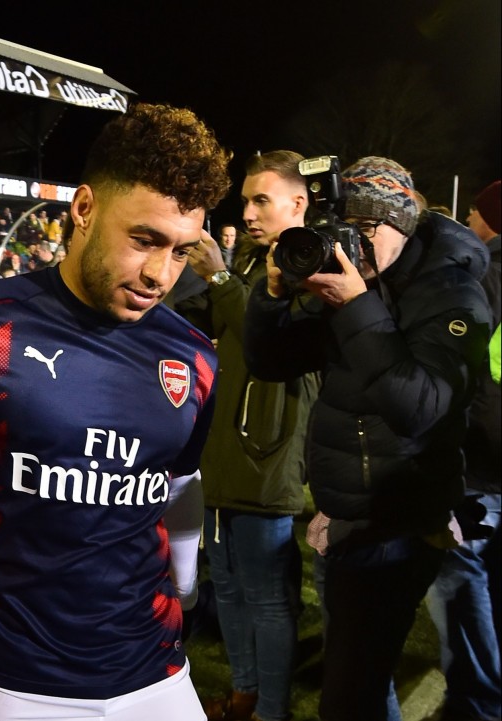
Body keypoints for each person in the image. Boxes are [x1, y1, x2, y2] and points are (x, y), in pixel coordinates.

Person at [0, 102, 231, 721]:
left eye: (183, 252)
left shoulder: (192, 357)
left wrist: (185, 584)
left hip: (156, 670)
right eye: (144, 241)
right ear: (84, 209)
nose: (161, 274)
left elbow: (180, 479)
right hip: (16, 678)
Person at [242, 157, 491, 721]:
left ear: (402, 225)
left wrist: (356, 304)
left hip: (397, 525)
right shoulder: (358, 278)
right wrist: (273, 296)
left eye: (368, 229)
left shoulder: (454, 295)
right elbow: (269, 362)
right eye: (345, 228)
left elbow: (419, 408)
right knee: (359, 680)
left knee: (348, 696)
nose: (354, 242)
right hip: (343, 520)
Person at [177, 151, 318, 721]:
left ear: (298, 203)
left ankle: (271, 710)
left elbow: (278, 342)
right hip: (229, 448)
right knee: (230, 589)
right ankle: (245, 693)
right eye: (247, 201)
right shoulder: (260, 264)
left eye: (262, 199)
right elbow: (213, 325)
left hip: (268, 451)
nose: (250, 212)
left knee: (267, 598)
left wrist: (218, 275)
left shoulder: (313, 263)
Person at [425, 178, 501, 721]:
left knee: (458, 582)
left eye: (473, 214)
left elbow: (465, 376)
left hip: (479, 467)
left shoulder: (485, 279)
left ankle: (477, 703)